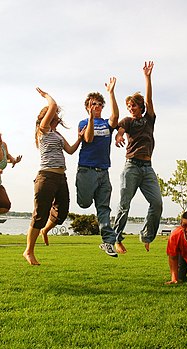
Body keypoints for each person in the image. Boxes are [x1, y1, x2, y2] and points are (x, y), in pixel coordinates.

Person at [23, 88, 84, 265]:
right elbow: (53, 104)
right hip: (46, 177)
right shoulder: (42, 131)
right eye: (53, 114)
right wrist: (46, 96)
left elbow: (71, 150)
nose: (56, 115)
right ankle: (29, 251)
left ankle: (45, 231)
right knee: (39, 215)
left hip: (60, 177)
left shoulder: (57, 134)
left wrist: (80, 138)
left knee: (62, 212)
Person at [113, 61, 163, 254]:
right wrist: (118, 136)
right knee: (125, 204)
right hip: (132, 167)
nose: (130, 107)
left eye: (133, 105)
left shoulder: (149, 119)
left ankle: (146, 236)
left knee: (157, 203)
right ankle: (116, 239)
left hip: (147, 168)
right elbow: (120, 130)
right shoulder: (127, 121)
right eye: (128, 105)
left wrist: (147, 78)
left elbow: (150, 101)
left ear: (140, 106)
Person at [76, 78, 119, 257]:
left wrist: (111, 93)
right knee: (84, 203)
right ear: (87, 106)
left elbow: (115, 117)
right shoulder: (83, 123)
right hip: (86, 170)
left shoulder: (107, 124)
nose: (97, 106)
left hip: (104, 172)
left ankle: (108, 242)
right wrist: (91, 118)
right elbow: (89, 139)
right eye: (94, 104)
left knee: (104, 208)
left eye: (100, 104)